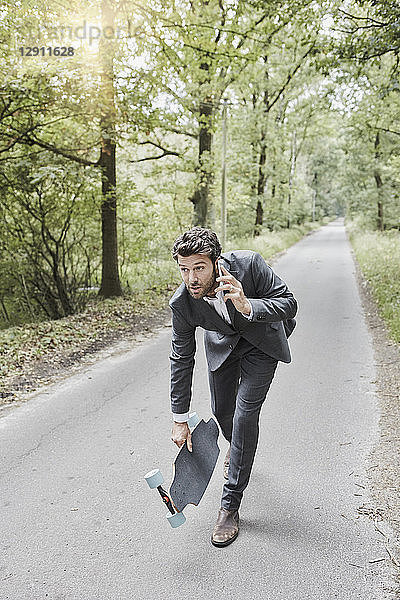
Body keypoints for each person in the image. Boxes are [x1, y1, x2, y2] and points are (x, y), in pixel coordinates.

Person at [169, 226, 297, 547]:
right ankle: (236, 448)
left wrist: (247, 305)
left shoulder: (250, 264)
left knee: (244, 416)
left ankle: (230, 504)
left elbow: (289, 303)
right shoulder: (183, 303)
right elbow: (182, 358)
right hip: (222, 346)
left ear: (215, 261)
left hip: (260, 342)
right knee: (223, 412)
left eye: (199, 268)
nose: (191, 278)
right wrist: (180, 418)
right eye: (184, 269)